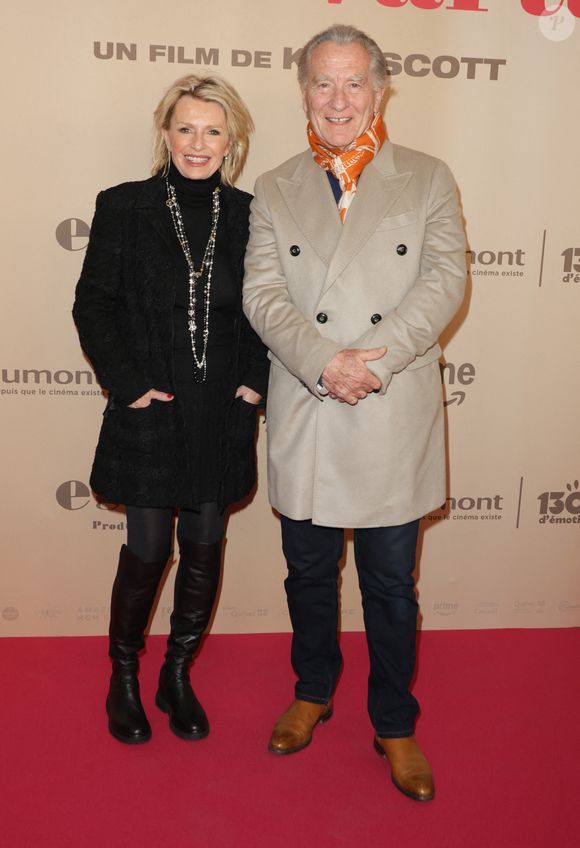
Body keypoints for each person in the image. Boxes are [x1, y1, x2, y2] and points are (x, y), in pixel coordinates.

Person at [243, 25, 466, 800]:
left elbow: (444, 282)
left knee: (390, 585)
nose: (337, 100)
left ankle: (395, 722)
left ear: (379, 90)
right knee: (308, 574)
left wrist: (371, 363)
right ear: (304, 90)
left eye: (353, 82)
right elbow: (262, 293)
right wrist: (323, 362)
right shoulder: (275, 186)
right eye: (322, 82)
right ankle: (312, 690)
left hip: (387, 405)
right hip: (309, 403)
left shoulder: (428, 177)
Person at [73, 74, 268, 745]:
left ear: (232, 141)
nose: (198, 143)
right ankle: (123, 676)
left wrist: (253, 384)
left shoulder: (250, 215)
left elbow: (266, 310)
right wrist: (128, 385)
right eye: (186, 128)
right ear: (165, 133)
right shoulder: (125, 206)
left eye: (213, 131)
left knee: (205, 546)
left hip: (220, 411)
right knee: (149, 547)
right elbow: (93, 305)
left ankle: (176, 675)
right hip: (151, 406)